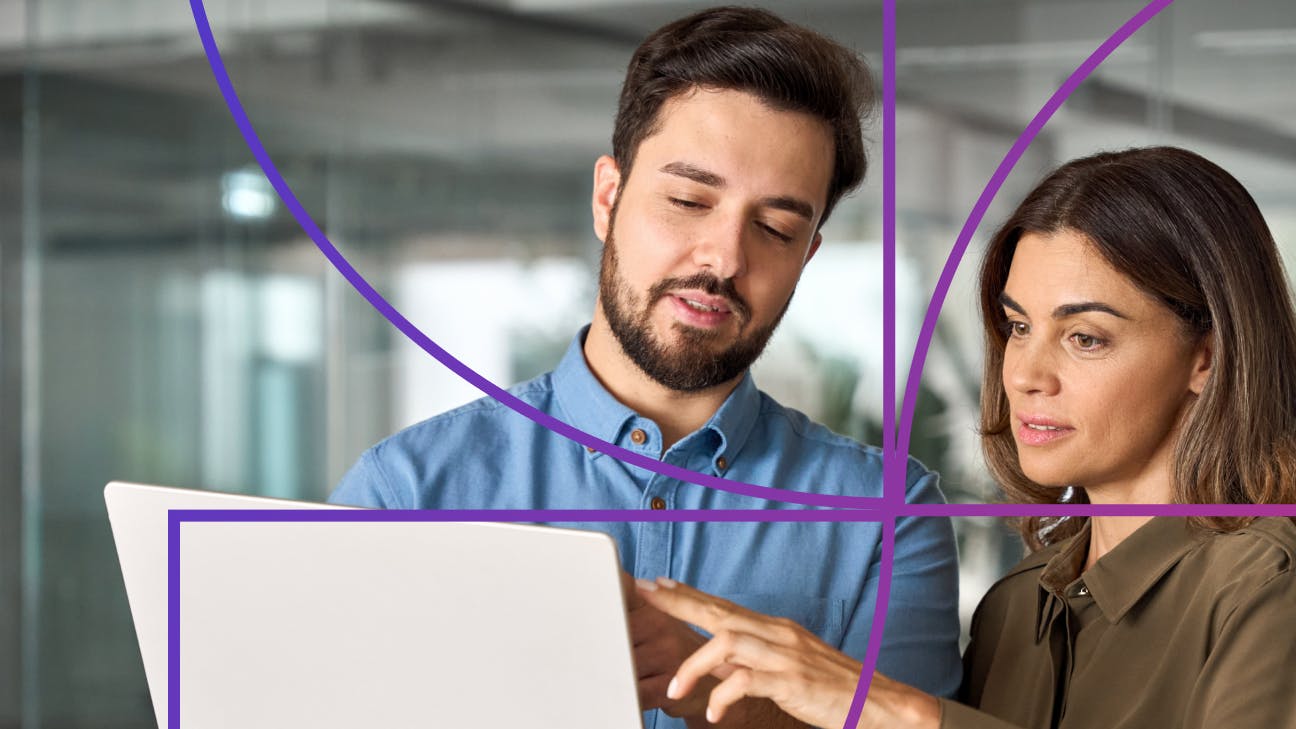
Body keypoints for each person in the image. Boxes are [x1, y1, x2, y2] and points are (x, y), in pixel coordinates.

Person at [328, 7, 962, 729]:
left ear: (806, 257)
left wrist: (724, 696)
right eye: (689, 200)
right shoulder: (407, 491)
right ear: (608, 198)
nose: (724, 258)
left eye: (776, 228)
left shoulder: (888, 517)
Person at [637, 146, 1296, 729]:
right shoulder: (1017, 603)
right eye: (1018, 327)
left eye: (1085, 337)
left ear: (1207, 356)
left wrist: (899, 710)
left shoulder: (1268, 585)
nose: (1027, 375)